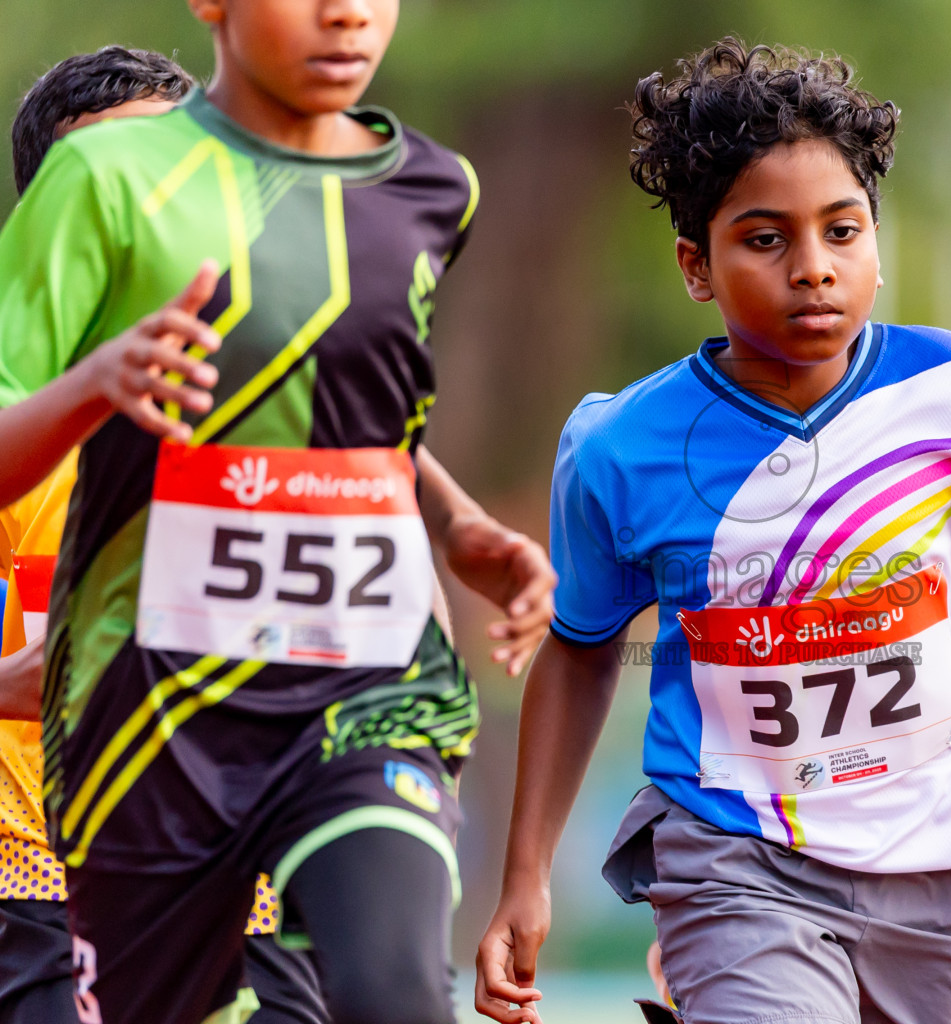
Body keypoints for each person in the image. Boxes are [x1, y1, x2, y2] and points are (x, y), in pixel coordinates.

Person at [475, 39, 951, 1024]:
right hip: (735, 854)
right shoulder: (623, 447)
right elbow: (582, 653)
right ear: (695, 265)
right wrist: (525, 875)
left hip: (946, 868)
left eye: (843, 231)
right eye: (765, 239)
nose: (814, 269)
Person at [0, 3, 555, 1023]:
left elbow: (374, 435)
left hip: (341, 725)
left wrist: (458, 527)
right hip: (77, 833)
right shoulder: (45, 405)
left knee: (394, 994)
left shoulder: (419, 196)